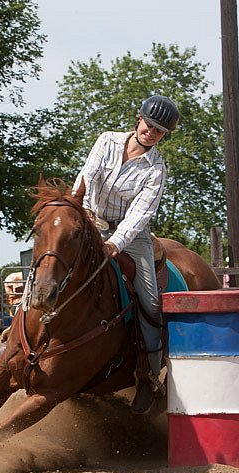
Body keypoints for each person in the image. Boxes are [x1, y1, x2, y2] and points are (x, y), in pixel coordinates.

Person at [72, 94, 179, 414]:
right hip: (90, 219)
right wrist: (76, 207)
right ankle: (14, 338)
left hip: (130, 238)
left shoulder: (156, 169)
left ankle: (147, 374)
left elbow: (139, 216)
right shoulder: (106, 141)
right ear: (139, 119)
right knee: (51, 262)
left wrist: (114, 244)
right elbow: (87, 176)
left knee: (151, 300)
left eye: (159, 131)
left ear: (163, 136)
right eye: (150, 125)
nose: (152, 132)